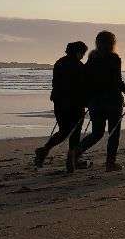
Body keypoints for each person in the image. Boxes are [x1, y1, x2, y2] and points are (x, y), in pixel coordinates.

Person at [75, 31, 125, 172]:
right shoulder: (114, 58)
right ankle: (110, 163)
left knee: (97, 133)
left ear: (97, 42)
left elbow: (85, 79)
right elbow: (118, 82)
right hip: (112, 101)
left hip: (95, 102)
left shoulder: (92, 58)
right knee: (113, 133)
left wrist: (86, 98)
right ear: (112, 43)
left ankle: (75, 153)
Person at [34, 41, 89, 173]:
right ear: (78, 52)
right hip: (74, 103)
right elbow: (81, 86)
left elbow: (56, 83)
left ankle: (45, 150)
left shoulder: (59, 63)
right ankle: (72, 160)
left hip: (59, 102)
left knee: (64, 131)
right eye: (82, 53)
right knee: (75, 131)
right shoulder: (78, 66)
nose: (82, 56)